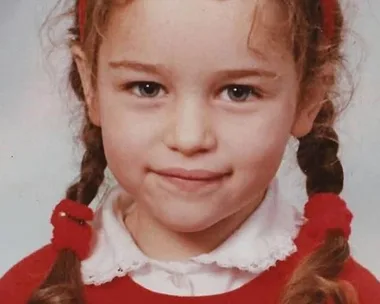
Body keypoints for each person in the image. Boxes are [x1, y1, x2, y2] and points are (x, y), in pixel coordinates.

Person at [1, 0, 379, 303]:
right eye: (146, 88)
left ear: (309, 97)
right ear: (90, 87)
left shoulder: (348, 295)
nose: (189, 137)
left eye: (239, 92)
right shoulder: (29, 291)